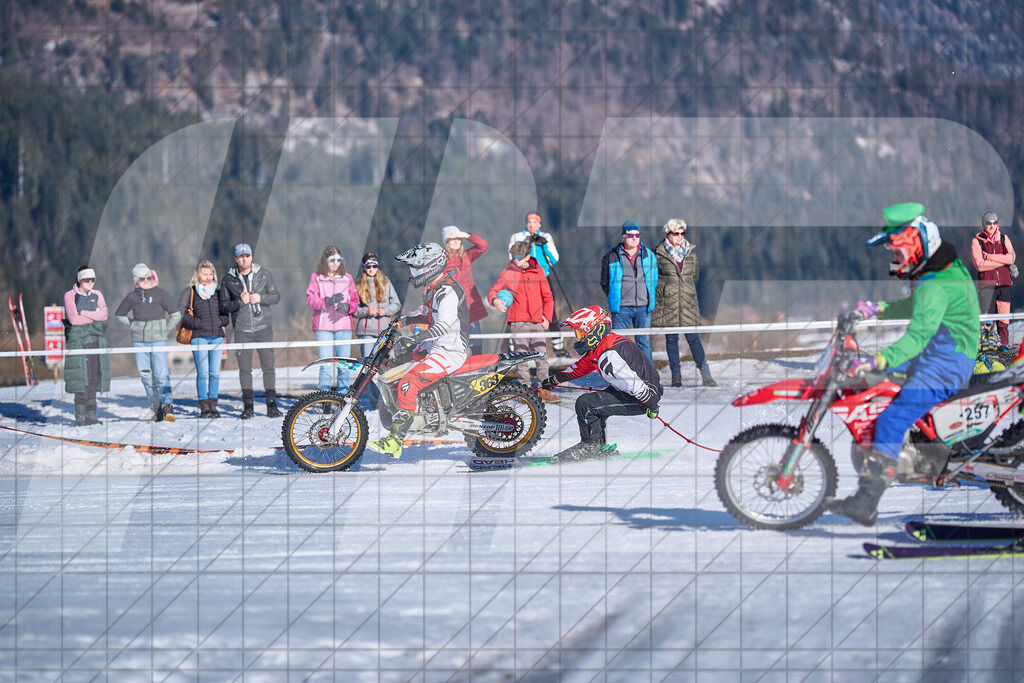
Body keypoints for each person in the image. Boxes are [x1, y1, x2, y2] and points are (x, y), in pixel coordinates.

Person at [824, 202, 980, 526]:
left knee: (891, 420)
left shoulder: (936, 284)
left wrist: (878, 359)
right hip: (939, 358)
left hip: (946, 364)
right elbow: (915, 305)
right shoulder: (939, 272)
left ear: (917, 247)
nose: (895, 260)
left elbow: (917, 337)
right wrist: (876, 308)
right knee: (884, 391)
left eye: (898, 253)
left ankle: (866, 502)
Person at [367, 242, 470, 458]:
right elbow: (433, 316)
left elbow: (443, 326)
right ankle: (417, 408)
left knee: (408, 381)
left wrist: (415, 339)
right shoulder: (435, 288)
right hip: (436, 345)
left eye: (416, 269)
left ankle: (395, 441)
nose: (413, 273)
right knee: (397, 361)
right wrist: (408, 319)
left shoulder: (448, 291)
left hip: (449, 351)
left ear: (430, 267)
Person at [540, 305, 662, 460]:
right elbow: (580, 367)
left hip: (643, 396)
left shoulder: (609, 355)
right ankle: (597, 446)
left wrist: (651, 405)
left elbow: (634, 384)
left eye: (580, 333)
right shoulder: (601, 346)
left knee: (586, 404)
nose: (578, 338)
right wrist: (554, 380)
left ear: (594, 330)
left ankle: (590, 447)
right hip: (631, 391)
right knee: (594, 406)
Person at [487, 240, 560, 403]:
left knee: (541, 357)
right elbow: (492, 292)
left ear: (528, 256)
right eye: (512, 256)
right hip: (517, 323)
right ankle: (526, 391)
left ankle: (544, 390)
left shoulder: (538, 272)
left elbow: (548, 297)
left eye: (517, 257)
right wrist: (495, 301)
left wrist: (547, 317)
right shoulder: (507, 273)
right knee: (521, 359)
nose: (514, 260)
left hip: (537, 322)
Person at [221, 243, 283, 419]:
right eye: (240, 256)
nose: (244, 259)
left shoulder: (264, 274)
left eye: (247, 256)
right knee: (244, 369)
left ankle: (272, 404)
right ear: (235, 259)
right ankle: (248, 406)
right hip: (242, 329)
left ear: (251, 257)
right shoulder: (228, 279)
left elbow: (276, 296)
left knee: (268, 367)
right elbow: (224, 305)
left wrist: (260, 298)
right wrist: (241, 302)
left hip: (264, 327)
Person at [653, 219, 716, 387]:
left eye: (682, 233)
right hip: (669, 303)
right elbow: (654, 279)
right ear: (668, 234)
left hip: (688, 303)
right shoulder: (658, 254)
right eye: (676, 233)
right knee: (671, 340)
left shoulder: (691, 254)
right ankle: (676, 376)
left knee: (694, 339)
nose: (680, 237)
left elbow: (693, 277)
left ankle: (706, 374)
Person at [115, 263, 181, 422]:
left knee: (161, 374)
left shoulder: (161, 294)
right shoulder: (131, 297)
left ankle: (168, 405)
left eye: (149, 277)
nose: (147, 281)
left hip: (158, 341)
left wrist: (164, 330)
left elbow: (176, 315)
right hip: (139, 342)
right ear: (136, 281)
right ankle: (156, 407)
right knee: (145, 376)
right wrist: (133, 325)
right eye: (143, 278)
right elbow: (119, 314)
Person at [508, 211, 567, 357]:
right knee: (516, 313)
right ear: (525, 223)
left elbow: (554, 259)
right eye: (529, 222)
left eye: (535, 222)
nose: (532, 225)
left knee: (551, 313)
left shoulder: (546, 237)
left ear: (539, 224)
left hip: (543, 276)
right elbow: (511, 257)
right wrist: (525, 244)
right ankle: (512, 349)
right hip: (522, 277)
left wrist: (544, 245)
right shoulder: (517, 237)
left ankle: (558, 348)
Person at [600, 221, 657, 364]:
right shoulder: (611, 257)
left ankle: (649, 377)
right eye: (630, 235)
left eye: (637, 235)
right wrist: (615, 297)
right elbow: (604, 282)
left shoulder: (648, 255)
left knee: (644, 344)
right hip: (621, 308)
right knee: (619, 345)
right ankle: (620, 378)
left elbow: (654, 279)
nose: (634, 238)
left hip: (643, 307)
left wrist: (648, 296)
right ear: (623, 237)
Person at [178, 260, 229, 418]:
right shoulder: (190, 292)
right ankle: (204, 406)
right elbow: (180, 313)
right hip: (199, 337)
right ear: (197, 274)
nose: (207, 277)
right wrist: (196, 323)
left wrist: (221, 321)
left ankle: (213, 405)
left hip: (217, 337)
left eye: (209, 273)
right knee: (203, 373)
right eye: (203, 273)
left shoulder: (219, 293)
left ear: (213, 275)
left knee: (215, 373)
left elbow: (225, 314)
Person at [306, 246, 358, 395]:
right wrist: (327, 301)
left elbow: (355, 300)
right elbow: (310, 299)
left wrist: (348, 307)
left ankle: (342, 395)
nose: (336, 263)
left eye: (338, 260)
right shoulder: (317, 277)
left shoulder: (347, 278)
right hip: (324, 327)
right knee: (326, 364)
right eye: (332, 260)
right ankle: (324, 397)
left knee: (344, 364)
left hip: (343, 326)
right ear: (325, 260)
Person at [353, 252, 402, 409]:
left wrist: (385, 311)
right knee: (368, 369)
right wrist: (365, 312)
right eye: (369, 265)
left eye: (374, 265)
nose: (372, 268)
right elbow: (353, 310)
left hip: (384, 332)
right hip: (366, 331)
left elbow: (397, 304)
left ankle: (389, 400)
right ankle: (376, 402)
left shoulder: (385, 282)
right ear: (364, 267)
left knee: (386, 367)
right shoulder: (358, 284)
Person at [63, 266, 110, 426]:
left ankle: (92, 415)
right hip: (78, 344)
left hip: (95, 342)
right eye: (86, 279)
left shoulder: (98, 295)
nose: (90, 282)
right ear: (79, 280)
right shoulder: (70, 296)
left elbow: (104, 315)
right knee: (81, 379)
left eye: (92, 279)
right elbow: (73, 319)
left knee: (93, 378)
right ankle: (80, 416)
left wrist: (83, 313)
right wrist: (93, 316)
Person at [971, 211, 1016, 346]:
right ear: (983, 225)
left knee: (1003, 322)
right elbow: (979, 265)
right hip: (987, 286)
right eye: (989, 223)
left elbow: (1012, 258)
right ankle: (988, 350)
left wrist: (989, 257)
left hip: (1004, 284)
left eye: (994, 223)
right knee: (987, 322)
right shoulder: (977, 241)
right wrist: (1004, 262)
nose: (992, 226)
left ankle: (1004, 349)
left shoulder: (1003, 238)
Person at [441, 225, 488, 354]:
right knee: (458, 345)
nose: (456, 241)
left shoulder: (467, 255)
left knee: (477, 344)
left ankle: (478, 373)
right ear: (446, 242)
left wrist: (466, 235)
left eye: (458, 238)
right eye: (452, 239)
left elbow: (483, 245)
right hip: (453, 310)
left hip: (471, 307)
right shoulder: (441, 260)